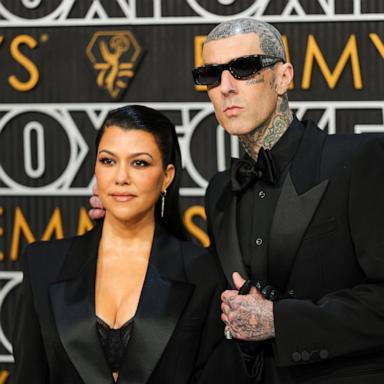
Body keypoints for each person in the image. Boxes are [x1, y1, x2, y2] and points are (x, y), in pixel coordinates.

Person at [89, 19, 384, 383]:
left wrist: (280, 321)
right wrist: (123, 218)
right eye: (211, 75)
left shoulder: (356, 161)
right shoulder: (220, 192)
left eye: (244, 69)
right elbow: (200, 293)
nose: (226, 87)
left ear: (283, 77)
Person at [12, 105, 238, 384]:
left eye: (139, 163)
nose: (121, 177)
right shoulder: (43, 265)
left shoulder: (202, 272)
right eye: (108, 161)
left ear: (167, 177)